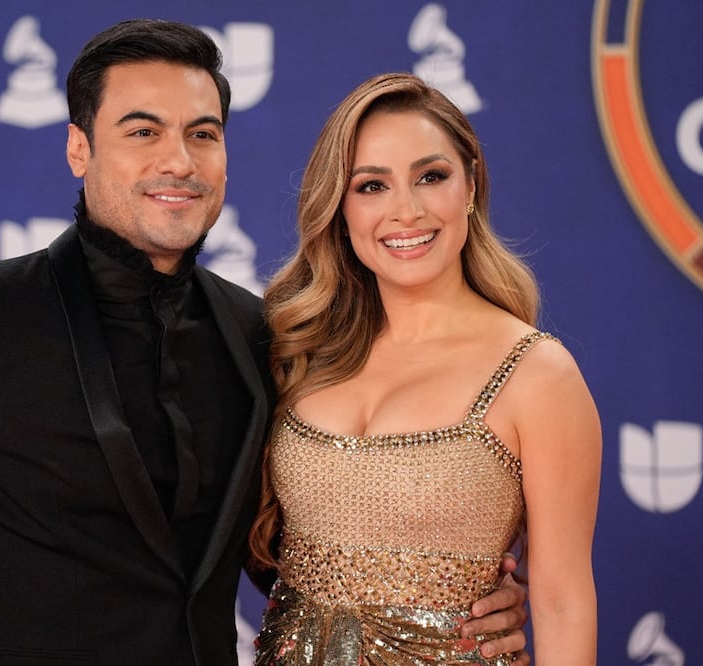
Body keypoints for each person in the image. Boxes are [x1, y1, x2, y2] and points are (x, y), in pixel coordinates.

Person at [0, 21, 531, 666]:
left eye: (202, 134)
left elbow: (290, 553)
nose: (179, 161)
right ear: (79, 149)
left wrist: (447, 600)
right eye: (142, 132)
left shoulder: (257, 330)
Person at [248, 72, 601, 665]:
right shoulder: (297, 348)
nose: (406, 211)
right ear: (340, 207)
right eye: (371, 186)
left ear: (470, 184)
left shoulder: (538, 374)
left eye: (430, 177)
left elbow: (563, 602)